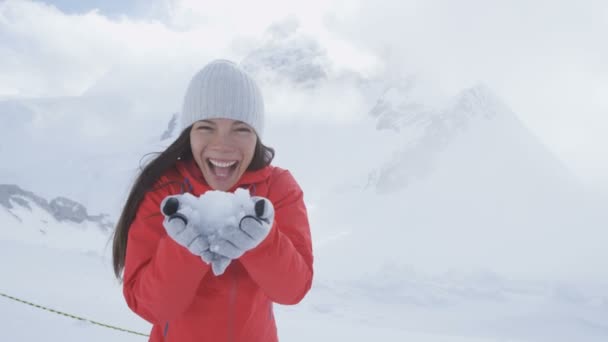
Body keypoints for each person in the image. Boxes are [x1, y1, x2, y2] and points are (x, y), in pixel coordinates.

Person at [111, 59, 314, 342]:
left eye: (240, 128)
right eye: (206, 127)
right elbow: (148, 306)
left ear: (256, 135)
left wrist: (262, 241)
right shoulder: (164, 192)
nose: (223, 144)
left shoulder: (277, 188)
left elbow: (292, 290)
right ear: (189, 133)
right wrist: (184, 247)